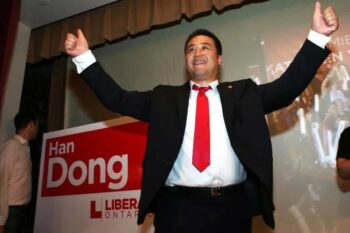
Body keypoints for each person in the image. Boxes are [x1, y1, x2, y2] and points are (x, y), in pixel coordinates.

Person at [64, 2, 338, 232]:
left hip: (232, 209)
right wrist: (84, 58)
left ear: (219, 59)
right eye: (191, 48)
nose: (197, 52)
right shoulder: (163, 98)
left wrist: (317, 36)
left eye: (205, 47)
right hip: (176, 211)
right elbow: (117, 98)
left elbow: (286, 88)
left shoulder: (243, 94)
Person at [0, 112, 39, 233]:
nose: (38, 129)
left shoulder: (25, 147)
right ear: (31, 125)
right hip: (11, 212)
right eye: (36, 125)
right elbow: (2, 181)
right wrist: (1, 220)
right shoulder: (12, 145)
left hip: (21, 211)